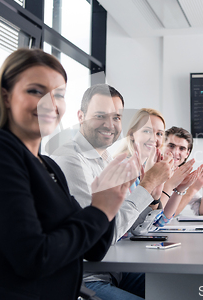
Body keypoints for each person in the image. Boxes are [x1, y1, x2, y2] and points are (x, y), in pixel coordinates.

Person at [0, 48, 136, 299]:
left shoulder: (48, 166)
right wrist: (99, 211)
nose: (50, 104)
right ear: (6, 96)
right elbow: (33, 258)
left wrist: (106, 199)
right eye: (35, 91)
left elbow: (94, 249)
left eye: (59, 95)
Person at [51, 89, 172, 300]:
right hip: (86, 280)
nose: (110, 124)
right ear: (80, 116)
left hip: (114, 272)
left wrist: (152, 199)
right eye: (100, 115)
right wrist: (147, 184)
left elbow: (128, 230)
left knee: (181, 286)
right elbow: (99, 238)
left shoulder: (106, 160)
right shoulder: (70, 160)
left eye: (116, 117)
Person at [115, 111, 195, 227]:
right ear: (132, 134)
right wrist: (169, 186)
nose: (154, 138)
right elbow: (136, 226)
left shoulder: (143, 168)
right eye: (147, 131)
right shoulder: (124, 169)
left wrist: (179, 190)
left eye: (159, 134)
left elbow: (159, 222)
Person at [159, 126, 203, 216]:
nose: (175, 152)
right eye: (171, 145)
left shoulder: (183, 176)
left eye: (182, 148)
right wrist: (193, 188)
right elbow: (163, 215)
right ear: (162, 146)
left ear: (187, 154)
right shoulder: (152, 172)